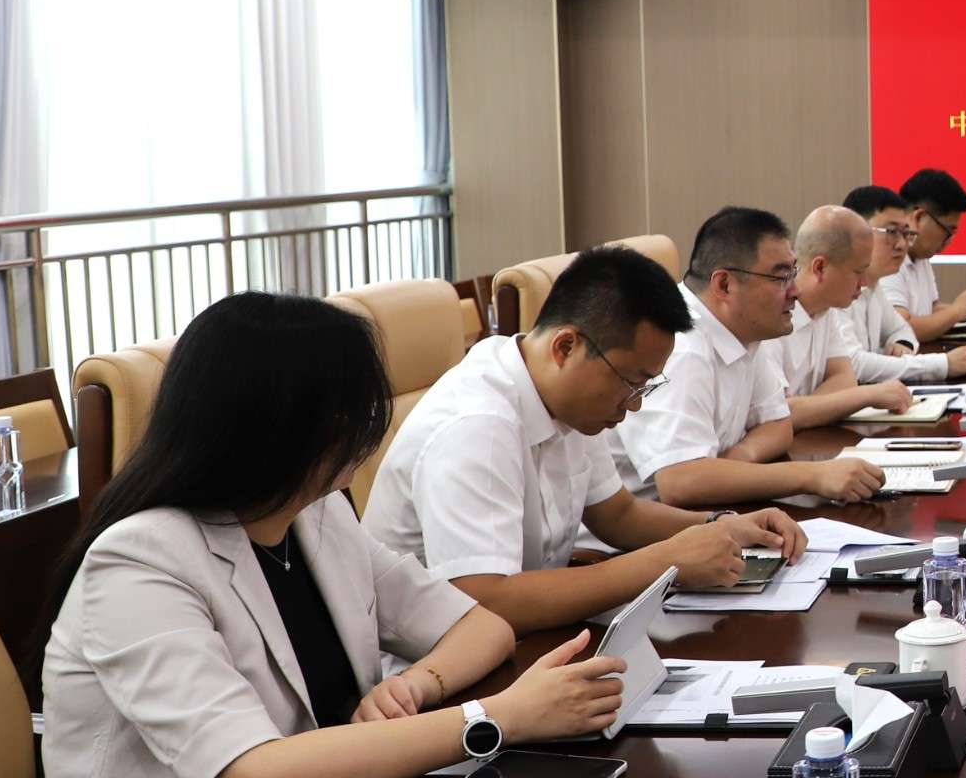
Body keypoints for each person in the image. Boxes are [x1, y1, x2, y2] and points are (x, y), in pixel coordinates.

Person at [35, 294, 628, 778]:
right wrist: (496, 718)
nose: (365, 435)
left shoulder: (314, 517)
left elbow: (481, 626)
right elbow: (252, 775)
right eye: (350, 413)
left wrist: (416, 684)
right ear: (275, 423)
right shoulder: (139, 561)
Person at [364, 246, 808, 633]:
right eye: (631, 382)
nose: (635, 404)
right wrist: (667, 561)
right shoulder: (477, 426)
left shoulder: (567, 400)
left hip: (529, 637)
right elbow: (486, 600)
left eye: (646, 387)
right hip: (429, 670)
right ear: (565, 348)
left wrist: (720, 526)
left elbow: (617, 514)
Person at [612, 206, 885, 507]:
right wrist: (812, 475)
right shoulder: (681, 347)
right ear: (725, 285)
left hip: (709, 511)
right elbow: (680, 482)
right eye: (781, 278)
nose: (795, 291)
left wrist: (735, 462)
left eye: (793, 273)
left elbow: (779, 426)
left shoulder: (743, 331)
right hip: (648, 528)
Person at [760, 205, 917, 425]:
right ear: (820, 268)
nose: (864, 282)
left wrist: (805, 410)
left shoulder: (826, 309)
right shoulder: (768, 318)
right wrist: (867, 395)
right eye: (858, 272)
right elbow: (778, 416)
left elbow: (845, 378)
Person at [841, 184, 966, 384]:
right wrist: (943, 364)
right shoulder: (836, 289)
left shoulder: (872, 285)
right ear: (854, 233)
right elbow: (852, 364)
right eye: (891, 232)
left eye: (905, 234)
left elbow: (903, 330)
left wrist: (902, 343)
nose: (902, 244)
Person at [885, 168, 966, 344]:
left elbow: (931, 310)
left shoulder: (921, 255)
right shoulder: (890, 257)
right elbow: (900, 329)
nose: (949, 241)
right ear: (919, 218)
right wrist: (957, 311)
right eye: (948, 231)